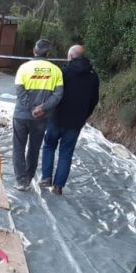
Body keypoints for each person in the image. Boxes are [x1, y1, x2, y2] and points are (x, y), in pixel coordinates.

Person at [40, 45, 100, 195]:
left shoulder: (63, 72)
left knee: (49, 146)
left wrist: (45, 109)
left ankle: (47, 177)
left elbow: (53, 93)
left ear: (71, 56)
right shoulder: (93, 76)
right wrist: (84, 116)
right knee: (66, 153)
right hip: (75, 122)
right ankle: (58, 186)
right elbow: (94, 100)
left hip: (56, 117)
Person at [12, 39, 63, 191]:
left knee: (18, 148)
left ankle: (21, 181)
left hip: (21, 115)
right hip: (41, 117)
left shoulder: (24, 68)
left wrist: (31, 107)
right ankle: (28, 178)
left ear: (34, 51)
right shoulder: (55, 71)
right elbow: (58, 94)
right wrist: (42, 108)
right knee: (34, 148)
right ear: (48, 53)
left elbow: (20, 92)